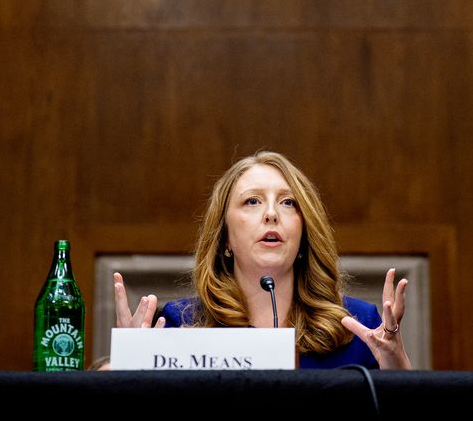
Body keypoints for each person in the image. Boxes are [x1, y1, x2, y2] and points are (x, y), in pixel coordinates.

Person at [113, 150, 412, 369]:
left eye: (288, 202)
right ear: (224, 237)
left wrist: (396, 366)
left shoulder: (359, 326)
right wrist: (130, 364)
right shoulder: (182, 324)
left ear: (304, 233)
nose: (271, 213)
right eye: (252, 201)